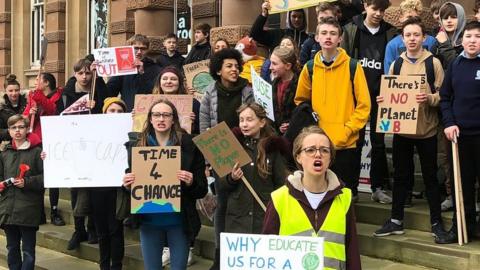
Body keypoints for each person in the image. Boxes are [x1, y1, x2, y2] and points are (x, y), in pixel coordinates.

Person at [373, 17, 449, 243]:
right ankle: (396, 220)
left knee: (430, 178)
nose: (412, 39)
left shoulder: (432, 63)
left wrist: (429, 98)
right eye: (408, 35)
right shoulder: (396, 64)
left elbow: (443, 95)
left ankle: (436, 222)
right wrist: (383, 100)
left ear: (423, 38)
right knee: (401, 176)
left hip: (426, 131)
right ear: (402, 38)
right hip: (401, 131)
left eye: (416, 35)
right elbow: (391, 94)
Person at [122, 99, 207, 270]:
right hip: (149, 221)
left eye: (166, 115)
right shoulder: (137, 146)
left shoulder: (189, 146)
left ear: (173, 119)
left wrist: (191, 181)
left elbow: (202, 189)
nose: (161, 119)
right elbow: (133, 184)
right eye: (157, 115)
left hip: (179, 221)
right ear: (150, 119)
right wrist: (127, 185)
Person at [262, 126, 361, 270]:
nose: (318, 154)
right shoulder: (279, 198)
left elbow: (352, 252)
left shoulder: (344, 198)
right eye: (310, 150)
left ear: (330, 158)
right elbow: (265, 254)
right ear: (298, 157)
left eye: (324, 150)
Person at [295, 17, 371, 202]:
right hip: (317, 146)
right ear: (317, 38)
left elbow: (364, 105)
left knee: (346, 197)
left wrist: (347, 130)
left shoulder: (353, 66)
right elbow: (300, 102)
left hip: (346, 144)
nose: (328, 37)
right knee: (318, 195)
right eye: (324, 33)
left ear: (340, 38)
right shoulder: (310, 68)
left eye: (333, 33)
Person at [200, 48, 253, 270]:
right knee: (222, 205)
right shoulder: (210, 92)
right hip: (220, 153)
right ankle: (220, 255)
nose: (234, 69)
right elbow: (204, 125)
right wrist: (208, 158)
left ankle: (243, 254)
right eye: (229, 66)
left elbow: (255, 116)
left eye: (236, 66)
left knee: (244, 203)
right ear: (218, 69)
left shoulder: (248, 90)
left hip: (246, 152)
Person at [341, 0, 396, 204]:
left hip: (381, 98)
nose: (378, 14)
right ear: (365, 6)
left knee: (379, 143)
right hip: (356, 98)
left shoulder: (391, 32)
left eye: (382, 10)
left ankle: (377, 187)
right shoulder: (350, 29)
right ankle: (352, 188)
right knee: (354, 143)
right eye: (375, 9)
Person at [440, 21, 480, 244]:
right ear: (462, 40)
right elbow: (445, 97)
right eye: (469, 36)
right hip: (459, 136)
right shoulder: (455, 64)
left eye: (477, 36)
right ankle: (461, 227)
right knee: (460, 185)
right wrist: (449, 122)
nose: (472, 40)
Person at [222, 103, 289, 234]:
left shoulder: (273, 149)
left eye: (249, 119)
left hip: (264, 217)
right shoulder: (232, 147)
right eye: (241, 120)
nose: (244, 124)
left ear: (262, 122)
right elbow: (221, 185)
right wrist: (232, 178)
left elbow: (281, 184)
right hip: (237, 220)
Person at [0, 115, 43, 270]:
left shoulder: (38, 152)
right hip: (8, 209)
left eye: (21, 127)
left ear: (27, 129)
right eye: (13, 127)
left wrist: (27, 182)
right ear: (9, 131)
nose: (17, 131)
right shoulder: (5, 154)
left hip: (28, 210)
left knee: (28, 251)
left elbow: (46, 179)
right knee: (12, 248)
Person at [22, 72, 64, 227]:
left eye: (38, 80)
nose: (35, 82)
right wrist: (29, 114)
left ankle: (54, 210)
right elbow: (24, 118)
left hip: (51, 140)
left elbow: (51, 109)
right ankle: (39, 210)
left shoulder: (58, 96)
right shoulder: (33, 97)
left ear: (46, 83)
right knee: (38, 176)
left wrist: (38, 97)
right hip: (36, 141)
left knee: (53, 177)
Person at [90, 97, 127, 270]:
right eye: (112, 110)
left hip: (118, 188)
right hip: (97, 188)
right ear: (104, 112)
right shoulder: (94, 130)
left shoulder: (129, 132)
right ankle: (104, 265)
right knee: (102, 232)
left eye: (120, 111)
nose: (116, 114)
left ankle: (116, 266)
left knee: (115, 229)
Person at [106, 34, 162, 111]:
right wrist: (98, 78)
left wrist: (142, 73)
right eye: (136, 48)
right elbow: (109, 93)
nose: (139, 52)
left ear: (147, 50)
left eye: (143, 49)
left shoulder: (156, 69)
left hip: (148, 114)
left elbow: (155, 93)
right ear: (129, 49)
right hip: (127, 114)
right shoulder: (123, 69)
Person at [383, 0, 438, 74]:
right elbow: (388, 74)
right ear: (401, 18)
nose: (412, 20)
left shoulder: (431, 41)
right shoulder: (392, 45)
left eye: (416, 17)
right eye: (409, 17)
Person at [152, 66, 200, 135]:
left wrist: (193, 124)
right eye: (165, 79)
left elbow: (201, 130)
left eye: (173, 79)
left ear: (179, 83)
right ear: (159, 84)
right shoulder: (151, 103)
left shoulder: (193, 103)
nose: (168, 82)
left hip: (184, 143)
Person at [269, 46, 298, 134]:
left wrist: (290, 124)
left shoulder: (299, 85)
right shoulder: (274, 84)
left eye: (274, 64)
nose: (270, 67)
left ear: (288, 66)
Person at [434, 2, 466, 69]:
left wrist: (445, 45)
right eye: (445, 18)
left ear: (460, 18)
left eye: (453, 17)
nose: (449, 21)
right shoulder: (437, 39)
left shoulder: (467, 40)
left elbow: (459, 66)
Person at [0, 74, 27, 141]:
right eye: (10, 91)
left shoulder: (27, 103)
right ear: (5, 91)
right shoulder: (1, 107)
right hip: (8, 144)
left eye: (16, 90)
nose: (14, 93)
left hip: (27, 141)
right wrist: (11, 131)